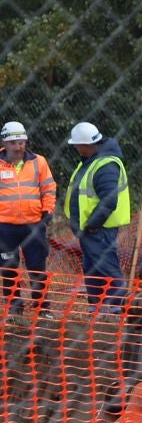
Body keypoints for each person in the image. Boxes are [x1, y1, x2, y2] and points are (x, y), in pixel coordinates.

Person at [64, 121, 130, 313]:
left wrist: (92, 225)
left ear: (86, 144)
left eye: (77, 144)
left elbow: (108, 202)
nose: (75, 148)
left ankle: (118, 307)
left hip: (99, 229)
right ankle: (97, 306)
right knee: (92, 267)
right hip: (89, 228)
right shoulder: (91, 161)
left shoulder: (105, 165)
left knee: (106, 267)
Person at [0, 120, 56, 312]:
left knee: (37, 268)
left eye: (22, 142)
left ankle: (43, 309)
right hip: (4, 228)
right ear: (5, 143)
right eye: (14, 143)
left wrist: (47, 213)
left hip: (34, 225)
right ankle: (15, 310)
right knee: (8, 269)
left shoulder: (38, 162)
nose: (19, 146)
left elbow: (49, 188)